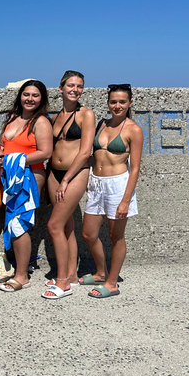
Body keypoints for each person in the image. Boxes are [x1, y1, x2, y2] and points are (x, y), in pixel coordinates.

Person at [80, 84, 143, 299]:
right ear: (108, 103)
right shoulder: (101, 124)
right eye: (113, 101)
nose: (117, 106)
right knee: (89, 234)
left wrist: (125, 200)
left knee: (116, 236)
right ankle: (100, 272)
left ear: (130, 103)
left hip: (118, 185)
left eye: (122, 102)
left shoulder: (133, 129)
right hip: (96, 183)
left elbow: (135, 168)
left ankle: (112, 282)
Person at [43, 71, 96, 299]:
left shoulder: (86, 115)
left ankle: (63, 282)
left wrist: (65, 179)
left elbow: (85, 152)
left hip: (75, 174)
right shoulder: (55, 117)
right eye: (71, 85)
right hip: (53, 173)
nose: (75, 89)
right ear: (61, 88)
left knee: (54, 225)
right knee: (66, 227)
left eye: (80, 86)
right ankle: (72, 275)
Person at [0, 80, 53, 292]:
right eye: (26, 94)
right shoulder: (13, 119)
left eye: (35, 95)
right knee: (12, 222)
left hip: (30, 176)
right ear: (20, 96)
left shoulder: (41, 122)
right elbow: (8, 146)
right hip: (11, 177)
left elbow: (45, 153)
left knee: (19, 224)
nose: (30, 99)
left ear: (42, 99)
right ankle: (20, 268)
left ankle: (22, 276)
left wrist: (12, 158)